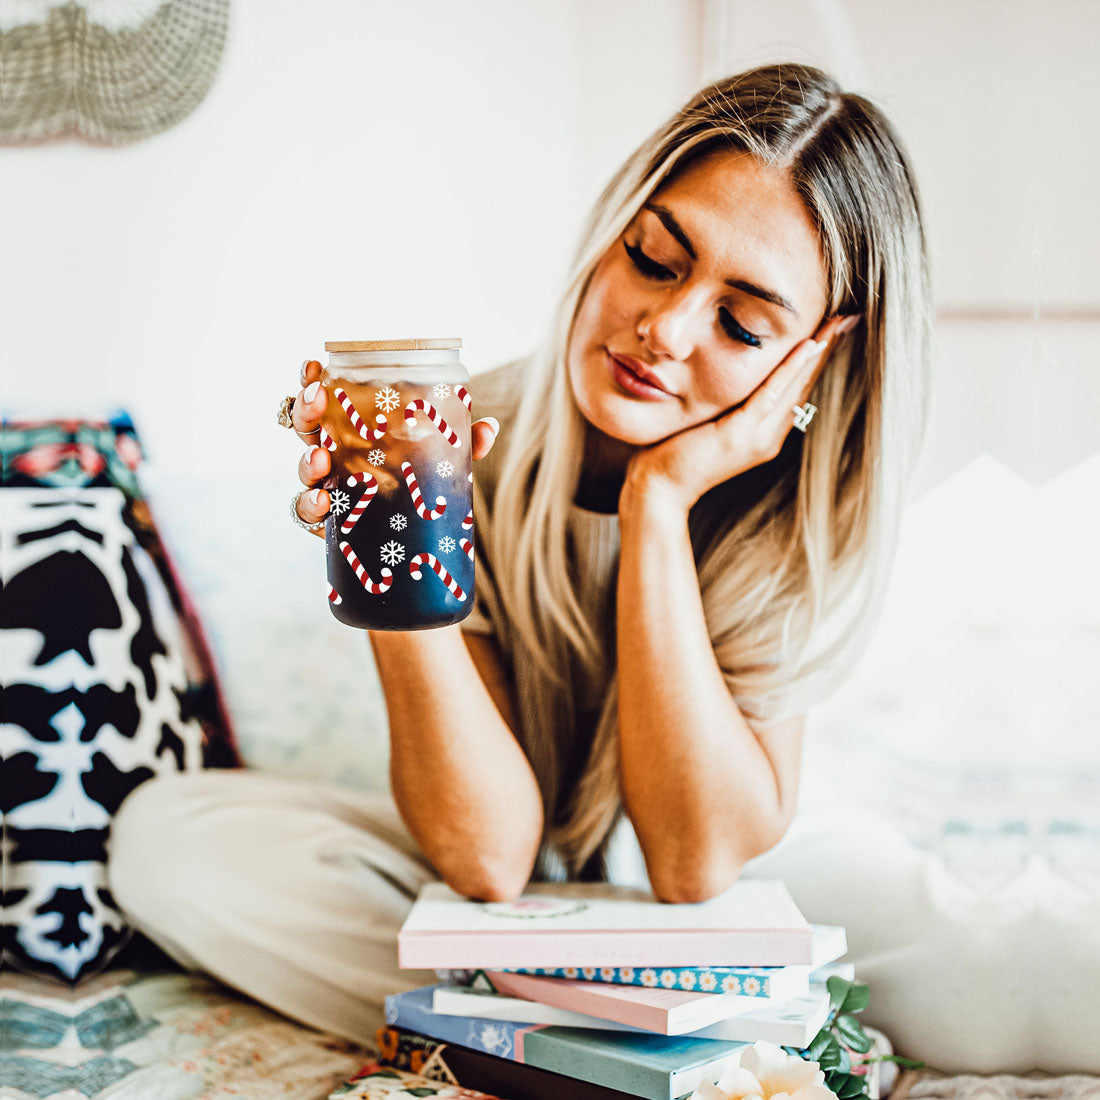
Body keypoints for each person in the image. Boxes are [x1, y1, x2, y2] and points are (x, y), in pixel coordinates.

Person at [111, 62, 967, 1061]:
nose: (666, 327)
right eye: (653, 258)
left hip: (718, 903)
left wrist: (658, 501)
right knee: (170, 840)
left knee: (934, 947)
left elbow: (691, 863)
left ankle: (517, 1028)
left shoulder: (799, 524)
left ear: (817, 363)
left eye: (742, 324)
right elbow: (486, 855)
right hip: (511, 902)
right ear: (613, 229)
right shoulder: (463, 440)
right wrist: (394, 572)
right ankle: (627, 1047)